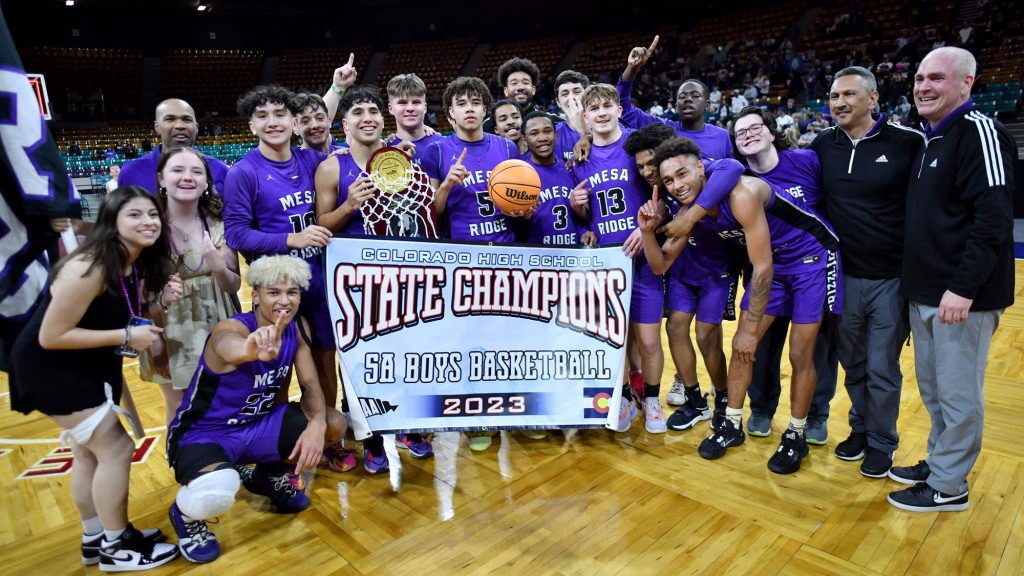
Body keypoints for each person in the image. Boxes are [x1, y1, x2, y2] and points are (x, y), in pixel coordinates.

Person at [644, 134, 839, 474]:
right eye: (669, 180)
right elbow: (661, 264)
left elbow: (761, 267)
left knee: (798, 352)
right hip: (773, 266)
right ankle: (732, 424)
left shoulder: (741, 194)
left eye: (683, 174)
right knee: (740, 348)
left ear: (701, 168)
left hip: (811, 257)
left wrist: (750, 329)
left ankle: (796, 434)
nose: (676, 185)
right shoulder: (692, 211)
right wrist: (647, 231)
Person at [11, 186, 179, 571]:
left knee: (87, 453)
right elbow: (50, 336)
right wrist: (124, 337)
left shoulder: (129, 263)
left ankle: (95, 537)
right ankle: (118, 547)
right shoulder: (90, 266)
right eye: (134, 214)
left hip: (83, 366)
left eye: (152, 214)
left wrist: (159, 306)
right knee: (116, 450)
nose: (148, 221)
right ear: (112, 221)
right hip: (50, 368)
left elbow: (121, 318)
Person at [888, 47, 1015, 512]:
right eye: (919, 77)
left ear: (967, 84)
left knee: (959, 394)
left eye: (937, 78)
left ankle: (949, 486)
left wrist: (963, 287)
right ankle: (942, 462)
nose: (923, 86)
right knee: (936, 390)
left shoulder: (979, 132)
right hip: (925, 293)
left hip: (963, 297)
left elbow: (994, 219)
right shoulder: (929, 137)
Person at [166, 255, 347, 563]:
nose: (284, 301)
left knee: (334, 423)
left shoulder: (296, 329)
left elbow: (312, 387)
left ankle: (269, 476)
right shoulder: (231, 329)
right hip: (204, 434)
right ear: (255, 296)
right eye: (274, 292)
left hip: (257, 426)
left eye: (292, 292)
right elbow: (228, 346)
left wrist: (316, 425)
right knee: (218, 489)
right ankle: (186, 515)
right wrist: (250, 349)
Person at [222, 85, 342, 475]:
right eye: (262, 115)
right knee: (275, 364)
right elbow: (238, 234)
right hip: (277, 289)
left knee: (324, 362)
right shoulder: (244, 172)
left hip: (320, 281)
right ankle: (275, 443)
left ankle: (327, 439)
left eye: (279, 114)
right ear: (251, 125)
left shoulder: (314, 161)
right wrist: (291, 239)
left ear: (295, 122)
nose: (271, 121)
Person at [811, 66, 923, 478]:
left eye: (849, 95)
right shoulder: (822, 145)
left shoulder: (908, 142)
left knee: (882, 367)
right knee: (854, 365)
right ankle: (860, 428)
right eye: (834, 96)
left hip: (891, 280)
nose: (839, 103)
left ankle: (882, 442)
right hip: (842, 279)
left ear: (873, 99)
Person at [313, 87, 429, 469]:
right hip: (356, 282)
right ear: (344, 124)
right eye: (358, 112)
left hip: (401, 275)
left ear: (383, 120)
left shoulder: (401, 158)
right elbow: (322, 225)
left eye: (374, 111)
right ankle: (372, 438)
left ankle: (409, 426)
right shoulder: (333, 166)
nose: (368, 117)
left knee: (405, 356)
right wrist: (349, 205)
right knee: (360, 362)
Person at [730, 106, 840, 446]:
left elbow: (832, 204)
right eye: (740, 132)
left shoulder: (806, 161)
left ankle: (811, 418)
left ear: (771, 132)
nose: (748, 134)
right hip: (769, 271)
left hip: (814, 265)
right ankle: (753, 411)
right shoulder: (736, 181)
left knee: (808, 350)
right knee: (749, 344)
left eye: (755, 127)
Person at [623, 123, 738, 432]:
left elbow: (733, 164)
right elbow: (660, 264)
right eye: (643, 167)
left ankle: (724, 399)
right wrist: (647, 231)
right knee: (675, 329)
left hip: (718, 273)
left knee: (705, 335)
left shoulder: (709, 176)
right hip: (683, 272)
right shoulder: (665, 197)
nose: (648, 172)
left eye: (652, 164)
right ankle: (694, 399)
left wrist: (691, 215)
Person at [568, 83, 666, 435]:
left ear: (619, 109)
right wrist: (579, 215)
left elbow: (664, 193)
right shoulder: (578, 157)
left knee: (650, 340)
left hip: (642, 258)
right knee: (618, 340)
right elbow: (582, 220)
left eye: (608, 105)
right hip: (606, 265)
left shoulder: (638, 145)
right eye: (594, 108)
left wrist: (650, 227)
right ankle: (624, 394)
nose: (602, 112)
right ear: (586, 116)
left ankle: (652, 399)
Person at [142, 147, 241, 426]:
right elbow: (135, 300)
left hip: (218, 324)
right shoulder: (147, 227)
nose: (188, 177)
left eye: (196, 171)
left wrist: (218, 265)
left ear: (207, 182)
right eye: (178, 170)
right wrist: (159, 306)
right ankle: (185, 467)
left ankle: (227, 463)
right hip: (167, 330)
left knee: (224, 400)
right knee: (179, 406)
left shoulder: (220, 223)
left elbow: (233, 286)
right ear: (161, 179)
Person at [616, 37, 734, 161]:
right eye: (682, 97)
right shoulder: (664, 131)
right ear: (677, 106)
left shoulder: (724, 137)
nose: (688, 99)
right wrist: (632, 68)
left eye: (695, 96)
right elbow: (622, 107)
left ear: (707, 105)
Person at [118, 99, 230, 195]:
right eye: (170, 119)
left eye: (187, 120)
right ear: (157, 127)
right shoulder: (131, 172)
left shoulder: (220, 170)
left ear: (196, 128)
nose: (180, 126)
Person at [520, 111, 588, 246]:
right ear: (524, 139)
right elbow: (513, 225)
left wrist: (584, 232)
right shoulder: (519, 173)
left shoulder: (570, 168)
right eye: (534, 133)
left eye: (547, 131)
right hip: (537, 257)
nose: (542, 138)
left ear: (555, 134)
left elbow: (578, 217)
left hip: (573, 256)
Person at [482, 57, 563, 134]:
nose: (520, 87)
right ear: (506, 91)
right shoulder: (489, 125)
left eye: (525, 82)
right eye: (514, 83)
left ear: (533, 89)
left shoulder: (552, 121)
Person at [385, 73, 443, 157]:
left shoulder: (443, 145)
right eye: (402, 103)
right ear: (390, 109)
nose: (410, 108)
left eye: (416, 102)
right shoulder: (383, 149)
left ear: (425, 107)